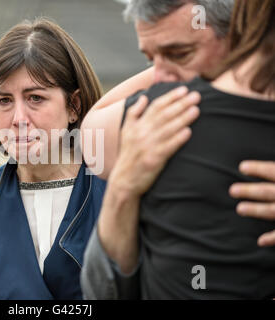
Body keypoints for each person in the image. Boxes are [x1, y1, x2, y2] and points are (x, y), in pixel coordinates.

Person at [81, 0, 275, 299]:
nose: (158, 80)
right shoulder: (160, 121)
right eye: (150, 59)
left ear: (239, 34)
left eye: (181, 53)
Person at [0, 17, 106, 299]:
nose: (18, 119)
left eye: (35, 97)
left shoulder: (120, 192)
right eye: (4, 100)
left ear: (74, 106)